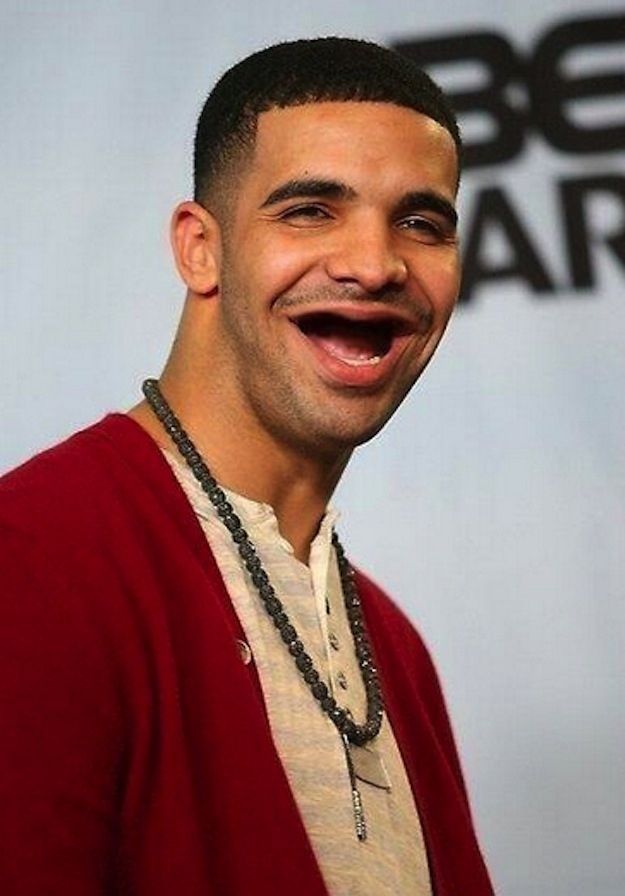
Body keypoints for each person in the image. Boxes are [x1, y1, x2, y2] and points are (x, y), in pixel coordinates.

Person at [0, 37, 494, 895]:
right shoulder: (33, 559)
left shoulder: (393, 651)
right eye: (309, 209)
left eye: (421, 222)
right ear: (199, 248)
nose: (373, 264)